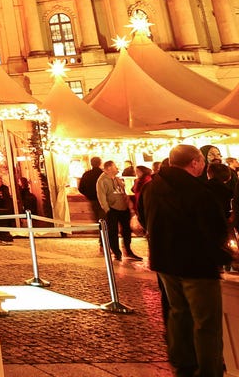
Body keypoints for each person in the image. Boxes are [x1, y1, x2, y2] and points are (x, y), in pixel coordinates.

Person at [142, 144, 230, 377]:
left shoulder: (153, 187)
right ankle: (209, 371)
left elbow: (144, 218)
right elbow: (215, 229)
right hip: (196, 264)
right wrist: (223, 255)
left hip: (165, 261)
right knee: (206, 322)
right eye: (202, 161)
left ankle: (183, 364)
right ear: (195, 162)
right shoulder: (198, 192)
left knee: (179, 312)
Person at [97, 160, 141, 261]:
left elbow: (123, 192)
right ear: (109, 168)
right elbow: (101, 196)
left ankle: (128, 250)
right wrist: (107, 210)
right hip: (113, 209)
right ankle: (117, 252)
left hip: (123, 208)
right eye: (115, 166)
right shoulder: (102, 180)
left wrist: (128, 203)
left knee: (126, 230)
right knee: (113, 231)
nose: (117, 168)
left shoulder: (117, 179)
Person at [77, 156, 105, 221]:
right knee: (105, 219)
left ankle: (99, 230)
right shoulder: (103, 174)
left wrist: (89, 196)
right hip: (104, 199)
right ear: (100, 163)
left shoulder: (86, 174)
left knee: (97, 218)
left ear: (91, 163)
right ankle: (106, 230)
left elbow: (81, 188)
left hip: (93, 200)